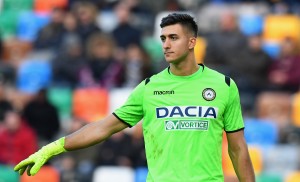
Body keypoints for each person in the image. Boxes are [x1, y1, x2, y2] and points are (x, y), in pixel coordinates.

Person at [14, 13, 255, 181]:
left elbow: (238, 149)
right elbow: (103, 128)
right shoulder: (149, 87)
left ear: (192, 42)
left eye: (174, 38)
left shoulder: (223, 85)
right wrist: (51, 149)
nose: (166, 44)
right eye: (163, 38)